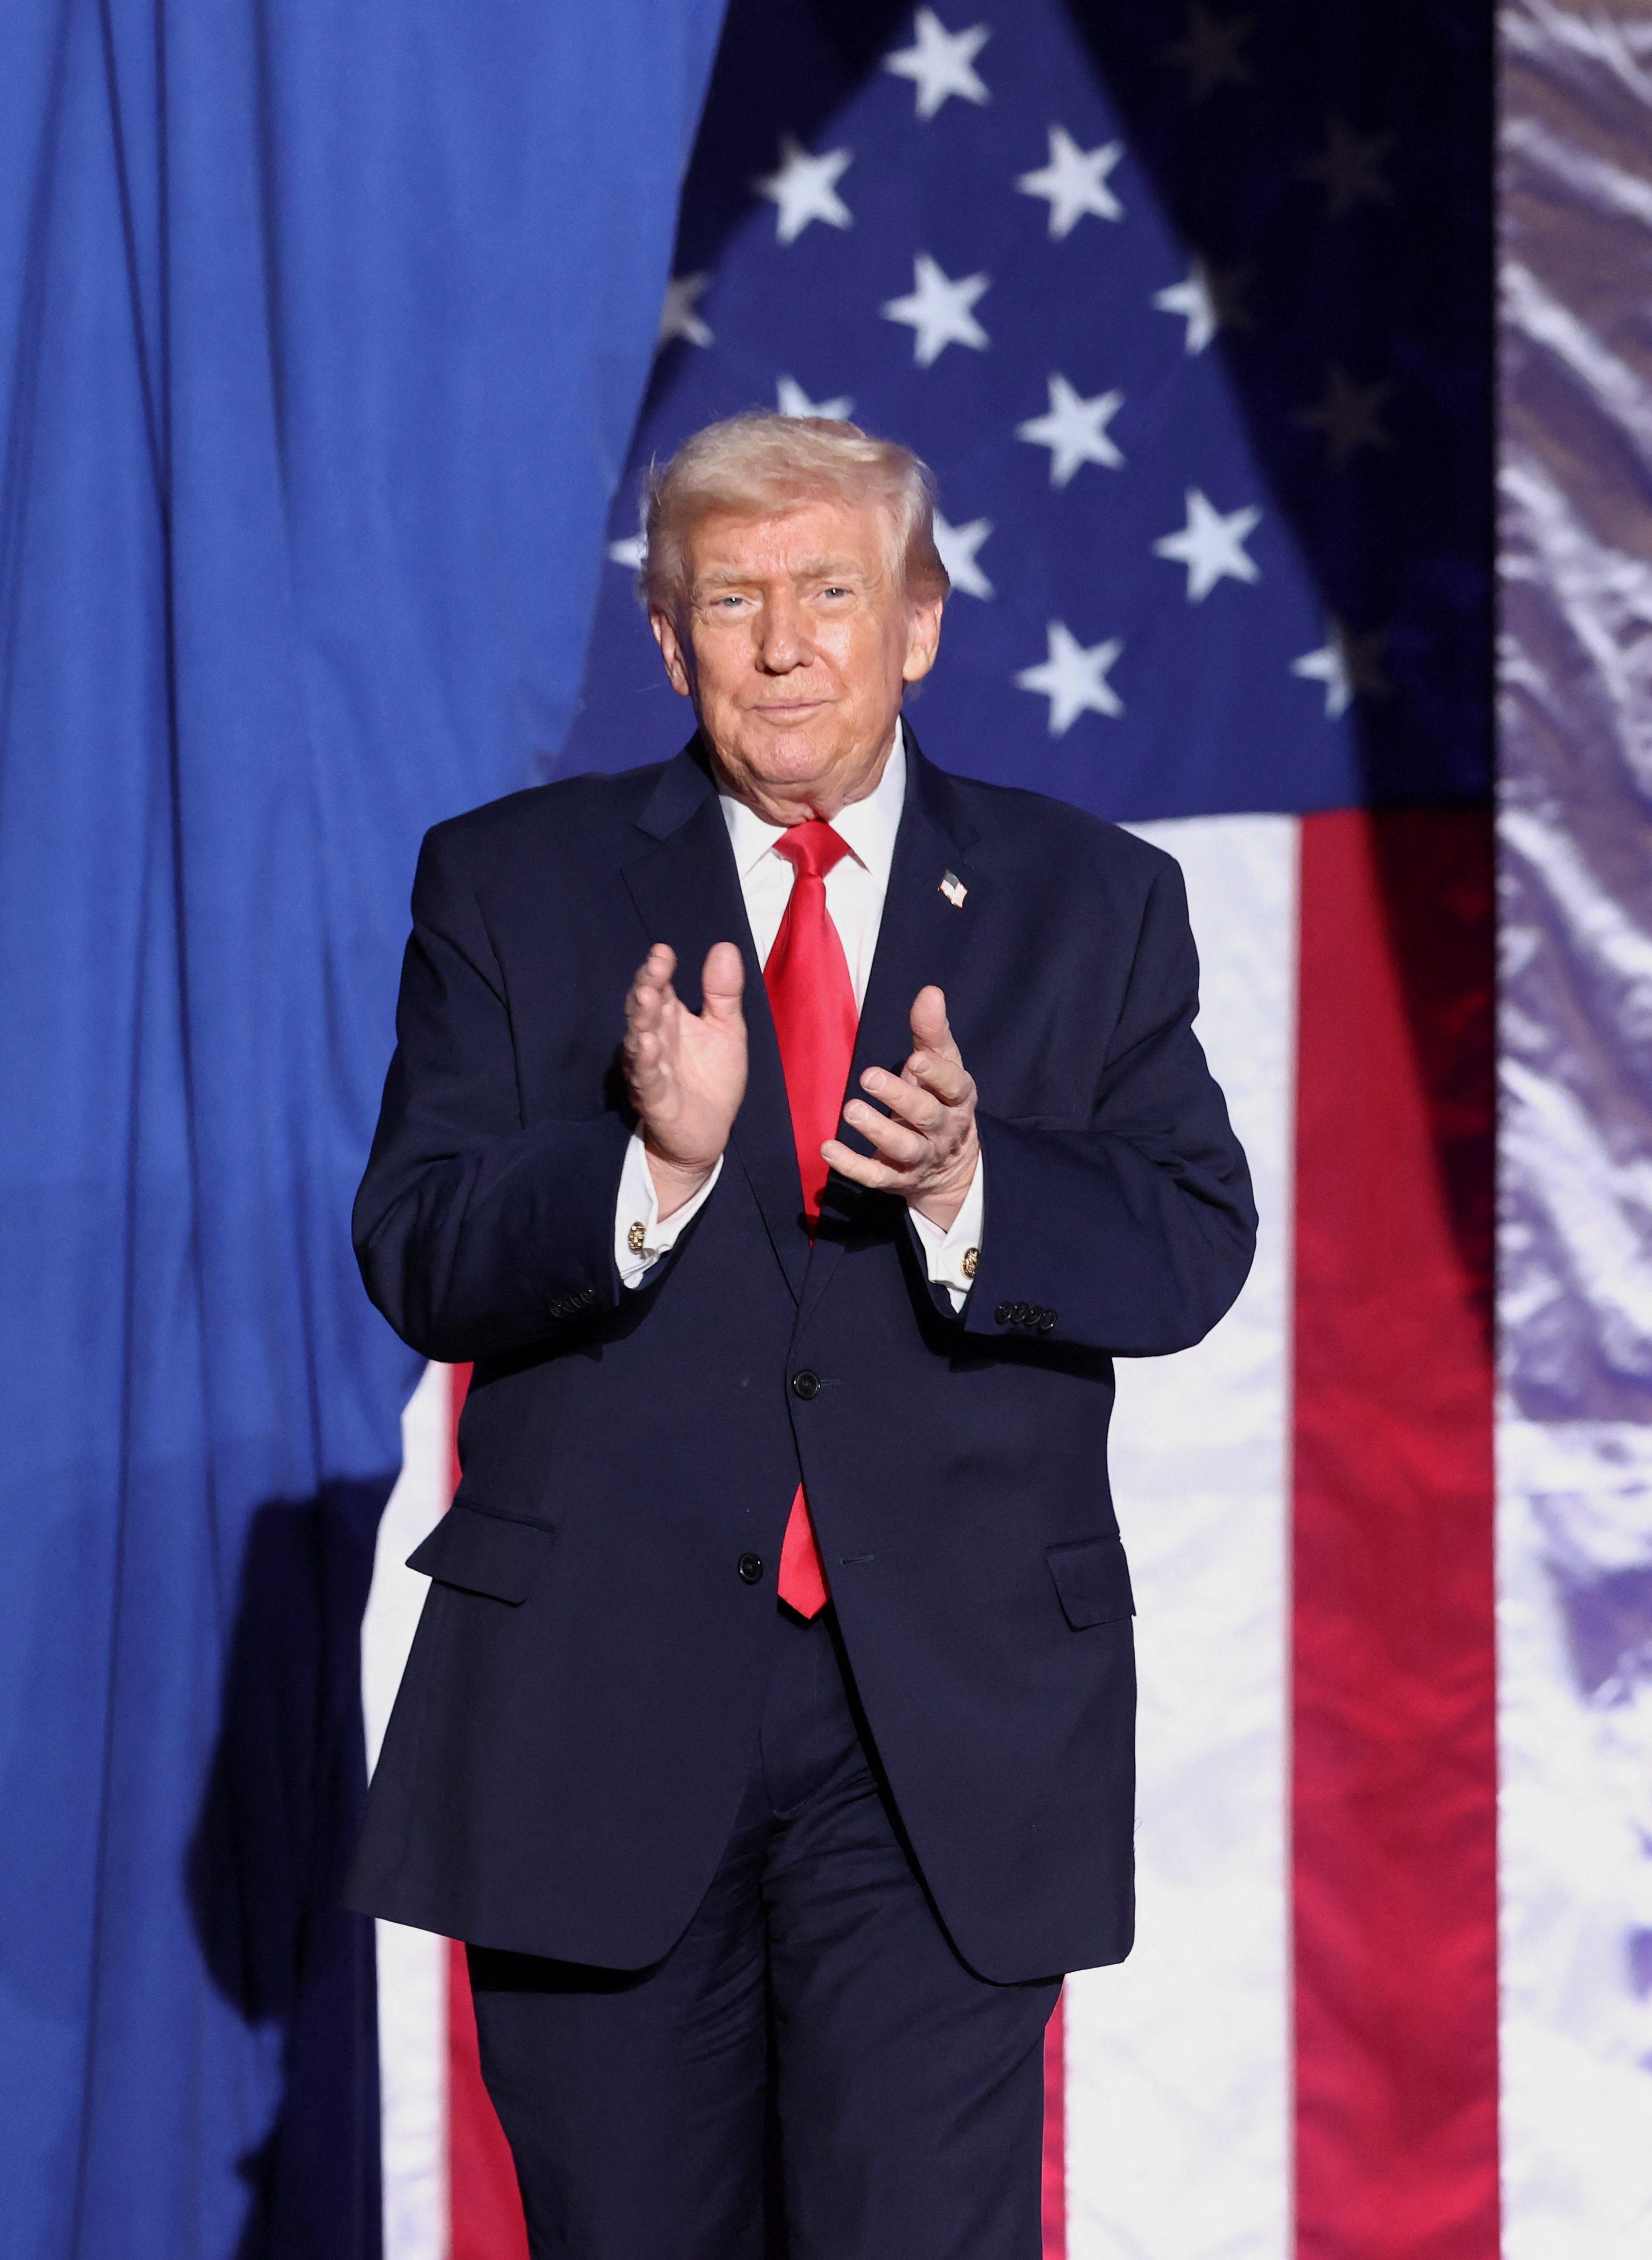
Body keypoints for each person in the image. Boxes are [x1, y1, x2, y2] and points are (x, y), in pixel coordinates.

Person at [348, 412, 1255, 2259]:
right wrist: (648, 1166)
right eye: (731, 600)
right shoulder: (508, 883)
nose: (782, 644)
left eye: (829, 592)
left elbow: (1186, 1246)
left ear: (917, 621)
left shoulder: (1095, 898)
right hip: (598, 1711)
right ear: (668, 643)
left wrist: (971, 1185)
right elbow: (420, 1248)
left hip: (943, 1725)